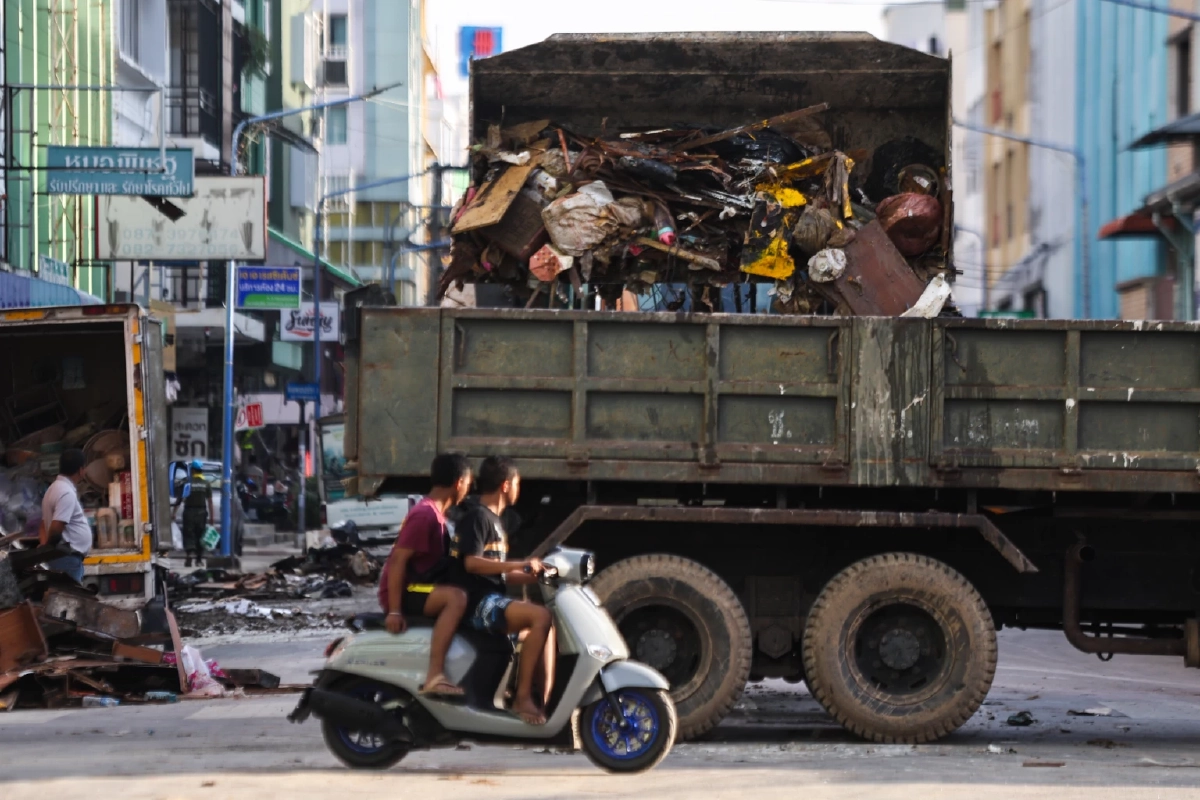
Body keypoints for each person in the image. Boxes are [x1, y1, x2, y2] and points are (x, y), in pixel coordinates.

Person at [450, 456, 554, 725]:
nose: (520, 488)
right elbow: (471, 563)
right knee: (539, 617)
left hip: (491, 599)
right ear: (506, 485)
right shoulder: (477, 518)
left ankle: (542, 700)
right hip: (476, 603)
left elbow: (499, 571)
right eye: (518, 483)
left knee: (548, 625)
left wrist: (538, 576)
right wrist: (522, 563)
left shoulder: (496, 522)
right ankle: (522, 699)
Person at [378, 453, 473, 697]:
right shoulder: (425, 515)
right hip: (405, 590)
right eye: (469, 482)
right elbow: (398, 561)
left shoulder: (438, 514)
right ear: (459, 482)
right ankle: (435, 675)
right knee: (456, 598)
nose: (468, 489)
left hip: (420, 586)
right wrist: (395, 610)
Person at [40, 449, 91, 583]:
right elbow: (56, 527)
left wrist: (45, 547)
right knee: (71, 599)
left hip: (63, 558)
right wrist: (48, 549)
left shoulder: (53, 489)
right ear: (81, 470)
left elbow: (43, 524)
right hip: (66, 559)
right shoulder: (65, 492)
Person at [174, 459, 214, 567]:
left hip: (189, 512)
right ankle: (199, 560)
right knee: (200, 535)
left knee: (189, 534)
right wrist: (212, 517)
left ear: (192, 470)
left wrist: (174, 512)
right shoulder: (206, 484)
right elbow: (209, 501)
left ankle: (189, 554)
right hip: (201, 512)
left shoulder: (187, 482)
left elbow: (180, 499)